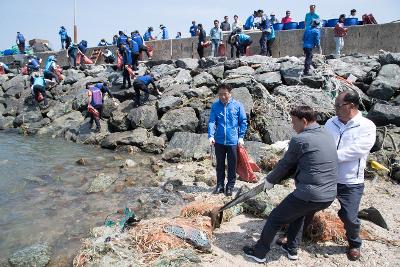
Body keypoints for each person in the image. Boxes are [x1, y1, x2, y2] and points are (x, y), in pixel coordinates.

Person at [243, 106, 338, 263]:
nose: (292, 126)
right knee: (298, 214)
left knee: (275, 218)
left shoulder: (300, 140)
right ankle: (292, 248)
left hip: (310, 193)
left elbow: (285, 165)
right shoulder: (326, 134)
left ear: (304, 121)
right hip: (328, 195)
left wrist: (269, 181)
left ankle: (259, 252)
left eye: (294, 122)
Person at [325, 91, 376, 261]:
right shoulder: (330, 123)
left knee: (349, 216)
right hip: (327, 176)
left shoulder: (367, 126)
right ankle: (295, 234)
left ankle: (354, 243)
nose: (336, 109)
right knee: (307, 205)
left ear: (352, 106)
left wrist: (331, 156)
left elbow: (359, 150)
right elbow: (323, 143)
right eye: (336, 105)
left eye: (339, 105)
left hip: (351, 180)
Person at [208, 84, 247, 196]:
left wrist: (241, 137)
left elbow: (243, 122)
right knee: (219, 164)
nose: (222, 96)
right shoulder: (215, 106)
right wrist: (210, 136)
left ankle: (230, 186)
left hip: (233, 141)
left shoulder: (238, 105)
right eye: (220, 94)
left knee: (232, 165)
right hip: (219, 141)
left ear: (230, 93)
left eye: (225, 94)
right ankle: (220, 185)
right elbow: (212, 121)